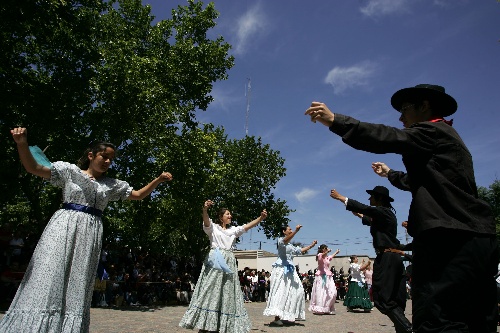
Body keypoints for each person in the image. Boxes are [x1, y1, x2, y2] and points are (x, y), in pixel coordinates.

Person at [305, 84, 498, 332]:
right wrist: (390, 175)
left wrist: (336, 121)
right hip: (477, 237)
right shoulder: (451, 140)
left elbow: (388, 136)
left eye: (405, 108)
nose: (400, 116)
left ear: (425, 106)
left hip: (449, 240)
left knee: (439, 319)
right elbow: (421, 181)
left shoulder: (432, 130)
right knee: (477, 318)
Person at [0, 127, 173, 332]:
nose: (108, 161)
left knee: (78, 280)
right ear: (91, 155)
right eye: (104, 156)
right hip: (63, 227)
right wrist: (21, 144)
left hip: (90, 233)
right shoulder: (70, 172)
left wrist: (158, 180)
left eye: (111, 159)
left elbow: (138, 195)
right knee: (50, 273)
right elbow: (34, 167)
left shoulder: (112, 184)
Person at [179, 200, 267, 333]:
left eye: (230, 214)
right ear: (221, 217)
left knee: (226, 292)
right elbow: (207, 221)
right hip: (216, 259)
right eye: (227, 214)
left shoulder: (233, 230)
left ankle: (219, 323)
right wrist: (205, 209)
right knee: (210, 290)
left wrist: (260, 218)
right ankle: (204, 324)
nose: (230, 216)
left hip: (229, 261)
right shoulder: (214, 228)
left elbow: (247, 226)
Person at [330, 186, 410, 332]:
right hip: (393, 258)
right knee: (396, 298)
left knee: (382, 298)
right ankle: (403, 328)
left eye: (372, 196)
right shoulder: (387, 215)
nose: (369, 199)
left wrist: (340, 197)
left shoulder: (383, 211)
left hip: (386, 259)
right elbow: (372, 219)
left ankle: (407, 328)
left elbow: (365, 208)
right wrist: (360, 216)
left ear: (379, 198)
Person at [263, 225, 317, 326]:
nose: (291, 231)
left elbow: (300, 250)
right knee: (281, 292)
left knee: (298, 291)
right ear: (284, 231)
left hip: (290, 271)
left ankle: (287, 314)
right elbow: (285, 241)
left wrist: (311, 246)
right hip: (282, 270)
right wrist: (296, 231)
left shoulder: (290, 245)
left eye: (292, 229)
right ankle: (277, 317)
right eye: (289, 229)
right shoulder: (280, 241)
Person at [308, 245, 340, 315]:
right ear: (322, 249)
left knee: (333, 292)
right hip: (321, 276)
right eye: (325, 248)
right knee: (321, 292)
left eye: (327, 248)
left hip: (328, 276)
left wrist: (336, 252)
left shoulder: (327, 258)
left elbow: (331, 257)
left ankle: (327, 307)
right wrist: (326, 252)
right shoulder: (320, 255)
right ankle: (320, 308)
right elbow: (321, 256)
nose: (327, 249)